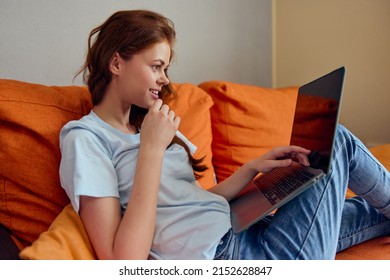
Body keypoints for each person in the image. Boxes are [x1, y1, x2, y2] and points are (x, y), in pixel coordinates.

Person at [59, 10, 390, 260]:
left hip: (248, 230)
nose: (164, 79)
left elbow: (190, 204)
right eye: (156, 66)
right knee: (340, 142)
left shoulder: (148, 125)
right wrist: (151, 150)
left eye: (166, 69)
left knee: (363, 199)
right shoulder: (86, 138)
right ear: (116, 63)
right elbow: (122, 262)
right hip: (234, 259)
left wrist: (252, 169)